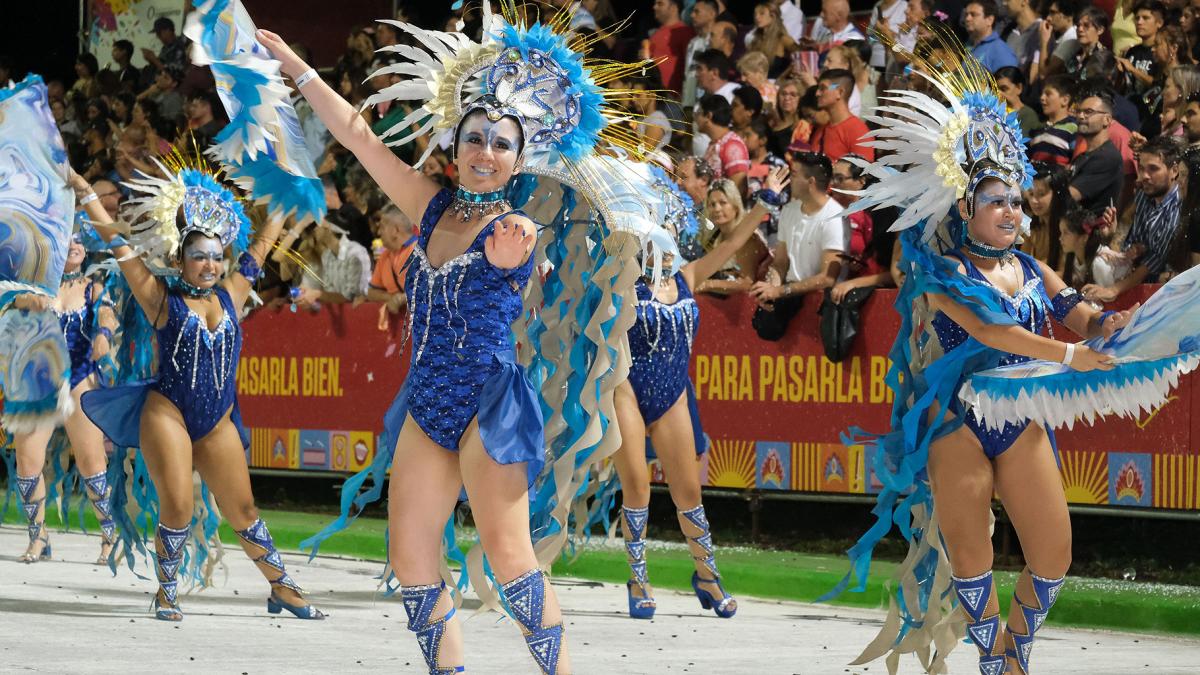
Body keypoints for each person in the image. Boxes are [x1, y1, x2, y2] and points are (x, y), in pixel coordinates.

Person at [259, 10, 667, 670]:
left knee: (509, 558)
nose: (485, 151)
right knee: (410, 557)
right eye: (475, 137)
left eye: (501, 143)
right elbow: (361, 139)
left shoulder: (517, 228)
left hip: (490, 403)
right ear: (454, 143)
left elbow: (521, 263)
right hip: (426, 400)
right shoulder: (430, 206)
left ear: (518, 158)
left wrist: (510, 261)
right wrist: (297, 68)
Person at [824, 39, 1139, 675]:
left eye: (1016, 202)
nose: (1010, 211)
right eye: (997, 200)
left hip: (1020, 417)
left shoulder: (1031, 266)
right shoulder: (943, 273)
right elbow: (993, 332)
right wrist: (1070, 353)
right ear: (966, 208)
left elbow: (1083, 314)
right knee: (972, 562)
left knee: (1053, 553)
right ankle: (1001, 666)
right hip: (956, 422)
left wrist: (1117, 324)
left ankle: (1008, 650)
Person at [75, 160, 322, 622]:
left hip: (216, 418)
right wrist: (88, 192)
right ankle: (167, 591)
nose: (210, 264)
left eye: (216, 256)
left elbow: (266, 241)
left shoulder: (232, 291)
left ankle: (282, 589)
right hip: (167, 412)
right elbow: (118, 243)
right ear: (178, 261)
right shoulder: (159, 298)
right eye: (199, 256)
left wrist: (289, 189)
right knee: (180, 505)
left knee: (243, 506)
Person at [612, 165, 790, 620]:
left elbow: (732, 243)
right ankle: (638, 579)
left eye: (674, 233)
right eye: (659, 236)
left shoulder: (689, 276)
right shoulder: (622, 281)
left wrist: (764, 202)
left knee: (689, 491)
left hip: (671, 394)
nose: (668, 246)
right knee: (636, 487)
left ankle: (707, 576)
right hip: (625, 391)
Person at [10, 223, 118, 565]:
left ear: (86, 251)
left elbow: (107, 313)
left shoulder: (93, 287)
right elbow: (12, 305)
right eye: (65, 240)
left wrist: (103, 333)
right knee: (27, 460)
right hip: (38, 381)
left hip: (78, 378)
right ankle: (38, 536)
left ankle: (109, 535)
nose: (73, 246)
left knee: (91, 463)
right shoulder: (31, 287)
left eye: (78, 242)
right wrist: (27, 300)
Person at [751, 151, 846, 340]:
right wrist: (770, 289)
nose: (788, 180)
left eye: (793, 175)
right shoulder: (788, 211)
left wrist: (781, 290)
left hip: (822, 309)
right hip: (793, 301)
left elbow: (828, 278)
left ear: (810, 182)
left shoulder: (835, 217)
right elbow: (780, 263)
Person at [1082, 137, 1183, 302]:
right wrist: (1113, 236)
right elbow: (1130, 238)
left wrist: (1113, 290)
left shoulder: (1176, 209)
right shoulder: (1145, 192)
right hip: (1133, 275)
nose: (1144, 176)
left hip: (1164, 290)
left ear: (1174, 170)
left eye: (1153, 169)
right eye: (1142, 168)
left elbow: (1153, 262)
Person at [696, 178, 771, 294]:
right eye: (712, 204)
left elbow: (747, 284)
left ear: (735, 206)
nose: (717, 209)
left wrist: (707, 284)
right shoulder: (714, 237)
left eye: (723, 203)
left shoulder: (749, 238)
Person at [1068, 89, 1124, 214]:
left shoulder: (1107, 158)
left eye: (1089, 112)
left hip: (1090, 232)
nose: (1081, 116)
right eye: (1079, 111)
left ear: (1107, 120)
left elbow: (1069, 196)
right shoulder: (1083, 156)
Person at [808, 69, 874, 162]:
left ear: (840, 92)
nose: (817, 93)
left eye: (823, 88)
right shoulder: (821, 128)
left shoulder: (858, 132)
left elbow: (862, 173)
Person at [697, 94, 750, 196]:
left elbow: (737, 187)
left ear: (708, 116)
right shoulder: (716, 143)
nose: (695, 118)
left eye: (699, 113)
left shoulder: (732, 145)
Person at [1027, 75, 1077, 165]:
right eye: (1042, 94)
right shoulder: (1038, 130)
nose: (1042, 98)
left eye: (1048, 94)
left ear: (1065, 100)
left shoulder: (1073, 128)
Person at [649, 0, 695, 96]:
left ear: (674, 8)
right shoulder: (656, 35)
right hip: (656, 97)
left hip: (674, 98)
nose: (655, 7)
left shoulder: (685, 32)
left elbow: (690, 66)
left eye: (660, 3)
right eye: (655, 3)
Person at [964, 0, 1019, 72]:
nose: (967, 18)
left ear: (990, 20)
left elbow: (1008, 80)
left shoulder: (1000, 51)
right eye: (966, 14)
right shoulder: (968, 46)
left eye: (973, 14)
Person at [995, 66, 1040, 137]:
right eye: (996, 90)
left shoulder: (1027, 114)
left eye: (1004, 89)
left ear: (1019, 87)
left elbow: (1018, 142)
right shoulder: (993, 112)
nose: (999, 94)